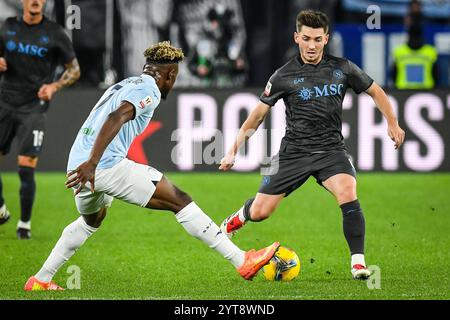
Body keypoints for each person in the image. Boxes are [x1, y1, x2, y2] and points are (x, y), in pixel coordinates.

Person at [23, 41, 279, 291]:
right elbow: (117, 116)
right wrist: (93, 162)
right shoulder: (149, 90)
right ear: (169, 74)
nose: (173, 82)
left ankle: (41, 279)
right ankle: (242, 260)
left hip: (77, 168)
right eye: (174, 77)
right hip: (100, 166)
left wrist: (87, 163)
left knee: (91, 220)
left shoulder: (123, 84)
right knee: (179, 199)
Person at [219, 10, 405, 280]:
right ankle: (236, 219)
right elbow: (258, 115)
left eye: (317, 39)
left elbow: (375, 91)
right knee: (261, 212)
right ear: (297, 38)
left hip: (331, 151)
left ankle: (358, 263)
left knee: (348, 190)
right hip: (292, 153)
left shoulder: (342, 68)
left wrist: (393, 123)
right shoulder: (283, 75)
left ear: (326, 39)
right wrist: (232, 150)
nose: (311, 45)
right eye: (306, 38)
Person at [0, 0, 80, 239]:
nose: (35, 1)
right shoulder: (8, 26)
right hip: (4, 103)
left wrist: (54, 86)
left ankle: (24, 223)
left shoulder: (55, 33)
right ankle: (1, 206)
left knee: (26, 166)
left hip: (34, 108)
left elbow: (74, 69)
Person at [392, 24, 438, 89]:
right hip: (405, 91)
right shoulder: (430, 51)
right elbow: (436, 74)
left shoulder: (431, 51)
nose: (415, 39)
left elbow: (394, 73)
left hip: (422, 90)